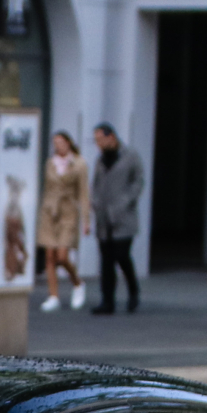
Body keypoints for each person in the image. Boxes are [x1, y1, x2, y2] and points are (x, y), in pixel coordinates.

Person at [90, 124, 144, 314]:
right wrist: (95, 202)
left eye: (100, 139)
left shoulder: (130, 156)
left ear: (111, 137)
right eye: (96, 140)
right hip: (104, 217)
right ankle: (107, 300)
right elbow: (95, 184)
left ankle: (133, 290)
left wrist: (126, 201)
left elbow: (138, 181)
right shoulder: (100, 160)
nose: (98, 144)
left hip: (123, 217)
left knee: (121, 256)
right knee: (106, 260)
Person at [36, 131, 86, 312]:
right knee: (49, 255)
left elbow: (83, 193)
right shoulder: (50, 163)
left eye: (61, 142)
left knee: (62, 255)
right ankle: (53, 295)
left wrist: (86, 219)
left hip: (68, 211)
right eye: (55, 143)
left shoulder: (79, 164)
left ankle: (77, 282)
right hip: (50, 211)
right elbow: (47, 188)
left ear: (68, 143)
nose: (58, 146)